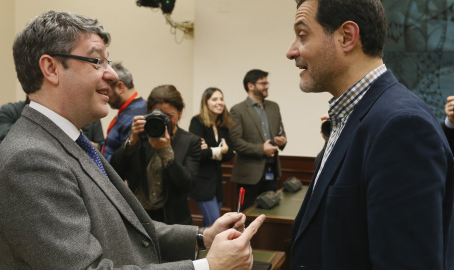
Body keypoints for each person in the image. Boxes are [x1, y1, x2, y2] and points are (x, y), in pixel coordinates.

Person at [0, 10, 265, 269]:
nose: (113, 73)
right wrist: (207, 266)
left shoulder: (68, 141)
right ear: (52, 68)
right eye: (97, 61)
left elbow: (132, 229)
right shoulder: (30, 160)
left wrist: (204, 235)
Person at [286, 0, 454, 269]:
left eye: (302, 35)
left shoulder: (401, 126)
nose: (291, 50)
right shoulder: (351, 115)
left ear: (347, 36)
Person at [0, 95, 104, 270]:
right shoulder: (11, 111)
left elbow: (96, 152)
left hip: (75, 197)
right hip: (19, 201)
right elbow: (0, 146)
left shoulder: (88, 117)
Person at [111, 84, 200, 225]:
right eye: (158, 116)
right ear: (149, 113)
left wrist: (165, 151)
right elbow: (115, 171)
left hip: (173, 220)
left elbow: (187, 185)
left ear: (180, 112)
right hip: (140, 217)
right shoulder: (140, 136)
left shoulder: (190, 141)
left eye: (169, 116)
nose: (164, 122)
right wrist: (131, 141)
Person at [229, 69, 288, 211]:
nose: (267, 86)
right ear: (250, 86)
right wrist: (262, 149)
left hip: (272, 170)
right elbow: (236, 142)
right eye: (263, 83)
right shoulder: (238, 110)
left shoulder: (274, 107)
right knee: (245, 215)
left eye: (267, 83)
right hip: (248, 175)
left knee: (270, 212)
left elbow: (281, 132)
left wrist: (282, 141)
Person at [189, 87, 235, 227]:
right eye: (214, 99)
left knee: (209, 224)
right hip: (202, 184)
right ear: (206, 102)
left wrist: (212, 151)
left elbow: (229, 154)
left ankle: (203, 249)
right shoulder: (197, 122)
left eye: (221, 99)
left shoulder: (223, 125)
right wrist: (220, 149)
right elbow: (198, 153)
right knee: (215, 223)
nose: (219, 102)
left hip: (217, 184)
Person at [100, 62, 147, 161]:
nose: (106, 97)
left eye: (106, 91)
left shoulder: (135, 116)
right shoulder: (131, 110)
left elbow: (125, 159)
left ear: (120, 87)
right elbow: (116, 146)